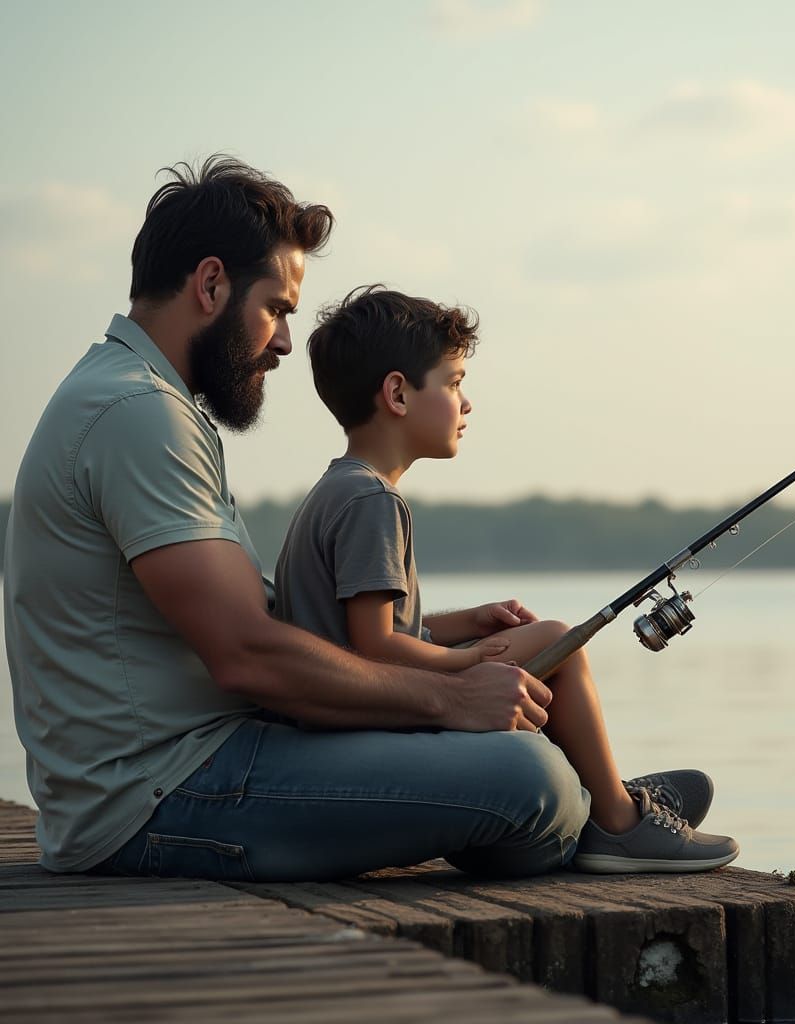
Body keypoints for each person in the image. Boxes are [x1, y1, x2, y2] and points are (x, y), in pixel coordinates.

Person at [3, 156, 593, 881]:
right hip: (161, 793)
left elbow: (274, 627)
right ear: (211, 285)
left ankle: (602, 810)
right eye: (276, 309)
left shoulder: (141, 399)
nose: (284, 340)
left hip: (201, 761)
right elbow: (247, 653)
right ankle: (597, 820)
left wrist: (448, 637)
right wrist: (452, 697)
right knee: (534, 780)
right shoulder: (137, 413)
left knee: (524, 758)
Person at [274, 285, 739, 873]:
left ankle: (605, 798)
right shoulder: (373, 501)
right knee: (555, 640)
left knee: (537, 639)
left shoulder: (337, 489)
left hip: (348, 712)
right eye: (453, 383)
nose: (466, 403)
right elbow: (375, 647)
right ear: (397, 394)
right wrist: (472, 663)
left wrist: (468, 625)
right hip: (365, 723)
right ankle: (619, 824)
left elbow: (363, 630)